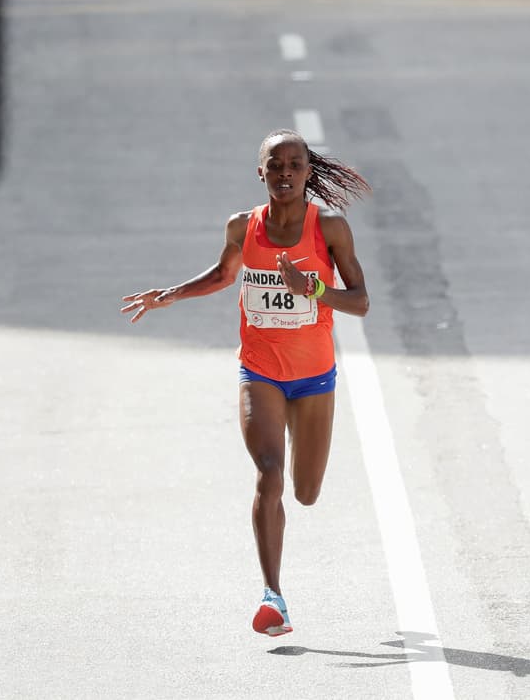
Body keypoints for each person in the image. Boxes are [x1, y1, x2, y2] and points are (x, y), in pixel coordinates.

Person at [121, 129, 371, 637]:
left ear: (307, 172)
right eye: (274, 165)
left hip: (314, 376)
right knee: (268, 474)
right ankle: (273, 597)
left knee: (305, 492)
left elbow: (361, 300)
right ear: (260, 173)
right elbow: (222, 274)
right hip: (259, 371)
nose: (284, 172)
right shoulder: (242, 226)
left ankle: (279, 571)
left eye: (294, 164)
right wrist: (170, 294)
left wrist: (315, 289)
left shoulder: (329, 228)